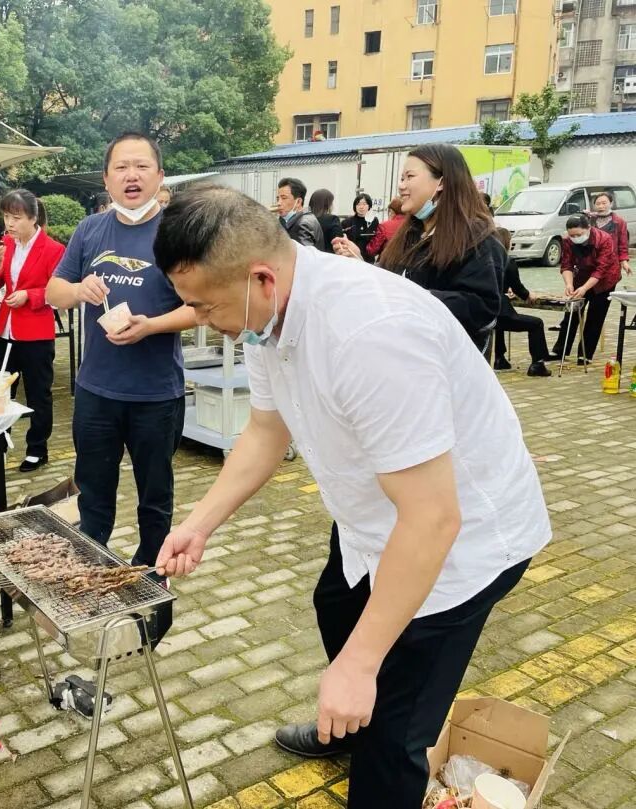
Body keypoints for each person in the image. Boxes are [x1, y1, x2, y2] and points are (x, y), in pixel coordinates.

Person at [152, 185, 550, 809]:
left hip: (460, 544)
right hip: (375, 518)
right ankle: (351, 720)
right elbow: (264, 429)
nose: (203, 321)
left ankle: (376, 733)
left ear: (259, 276)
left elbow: (434, 517)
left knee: (396, 732)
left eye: (205, 307)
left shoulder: (370, 333)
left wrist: (360, 666)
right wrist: (200, 523)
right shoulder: (265, 316)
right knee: (336, 604)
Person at [46, 131, 196, 573]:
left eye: (142, 166)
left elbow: (202, 308)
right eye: (121, 168)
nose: (131, 176)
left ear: (159, 175)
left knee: (155, 494)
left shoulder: (178, 232)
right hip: (96, 391)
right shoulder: (90, 230)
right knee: (94, 488)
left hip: (155, 394)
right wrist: (78, 288)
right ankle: (92, 562)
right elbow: (54, 291)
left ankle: (152, 570)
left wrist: (152, 326)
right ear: (107, 179)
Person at [334, 144, 503, 351]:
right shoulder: (410, 233)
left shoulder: (477, 239)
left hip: (445, 363)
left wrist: (412, 296)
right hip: (401, 354)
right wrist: (360, 263)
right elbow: (392, 282)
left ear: (441, 182)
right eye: (402, 179)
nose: (401, 186)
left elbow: (481, 307)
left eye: (409, 177)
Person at [0, 190, 65, 472]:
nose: (9, 223)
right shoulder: (7, 243)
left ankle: (37, 448)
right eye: (6, 216)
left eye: (16, 217)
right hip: (5, 328)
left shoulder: (53, 249)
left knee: (37, 393)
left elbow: (58, 292)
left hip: (35, 332)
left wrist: (29, 296)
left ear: (33, 218)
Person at [550, 214, 619, 364]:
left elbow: (601, 270)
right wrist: (569, 284)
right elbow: (566, 265)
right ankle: (560, 350)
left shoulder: (604, 239)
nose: (575, 237)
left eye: (578, 234)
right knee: (571, 312)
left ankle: (585, 354)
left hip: (605, 280)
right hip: (581, 276)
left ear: (588, 228)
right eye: (572, 235)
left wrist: (585, 288)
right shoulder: (568, 241)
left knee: (595, 316)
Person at [493, 229, 551, 377]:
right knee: (536, 323)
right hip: (501, 310)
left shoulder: (484, 259)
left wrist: (506, 292)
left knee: (498, 325)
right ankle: (537, 364)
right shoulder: (507, 261)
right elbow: (518, 287)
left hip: (486, 310)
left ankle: (500, 358)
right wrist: (529, 295)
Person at [589, 190, 631, 277]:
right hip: (592, 262)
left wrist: (624, 261)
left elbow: (623, 244)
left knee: (609, 285)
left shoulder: (619, 222)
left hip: (611, 262)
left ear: (611, 203)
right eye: (598, 204)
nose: (601, 206)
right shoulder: (590, 221)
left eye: (604, 203)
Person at [275, 178, 324, 248]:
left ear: (298, 202)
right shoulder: (306, 218)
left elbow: (303, 256)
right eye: (278, 199)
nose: (278, 203)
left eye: (284, 198)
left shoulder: (302, 224)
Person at [364, 197, 406, 261]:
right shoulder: (413, 224)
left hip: (387, 263)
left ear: (392, 211)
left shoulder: (384, 226)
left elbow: (372, 250)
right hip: (408, 264)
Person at [341, 193, 378, 259]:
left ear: (369, 206)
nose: (361, 207)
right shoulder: (347, 222)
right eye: (358, 204)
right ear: (355, 206)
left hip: (368, 259)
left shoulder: (374, 221)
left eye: (364, 204)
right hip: (352, 257)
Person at [308, 189, 342, 253]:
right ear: (327, 204)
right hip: (328, 259)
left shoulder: (305, 219)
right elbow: (339, 244)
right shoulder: (332, 220)